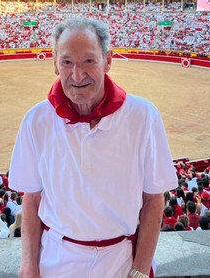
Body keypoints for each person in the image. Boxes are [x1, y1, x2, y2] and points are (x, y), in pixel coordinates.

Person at [9, 17, 177, 278]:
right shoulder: (36, 120)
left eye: (88, 61)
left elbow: (154, 199)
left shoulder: (143, 116)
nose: (77, 75)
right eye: (67, 62)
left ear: (107, 60)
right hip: (55, 262)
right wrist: (29, 266)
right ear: (55, 64)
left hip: (122, 261)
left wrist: (140, 271)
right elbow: (32, 199)